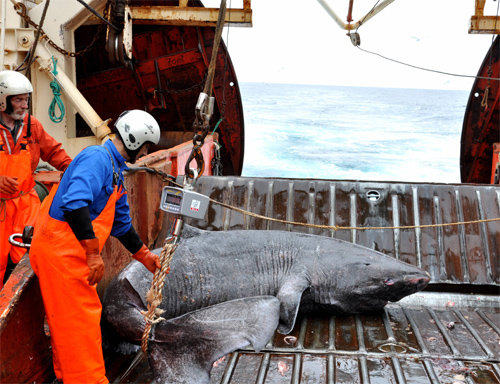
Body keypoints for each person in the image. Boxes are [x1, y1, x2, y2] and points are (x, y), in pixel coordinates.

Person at [29, 109, 162, 384]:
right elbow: (74, 202)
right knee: (80, 325)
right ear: (137, 142)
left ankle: (69, 377)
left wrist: (145, 256)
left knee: (70, 325)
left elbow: (122, 225)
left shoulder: (116, 171)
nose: (146, 151)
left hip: (71, 255)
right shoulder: (97, 159)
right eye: (147, 146)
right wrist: (92, 254)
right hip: (61, 254)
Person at [0, 70, 71, 289]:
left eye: (26, 100)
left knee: (31, 259)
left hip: (27, 204)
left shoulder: (33, 126)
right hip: (1, 208)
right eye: (18, 100)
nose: (24, 105)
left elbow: (56, 154)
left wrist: (78, 173)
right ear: (3, 101)